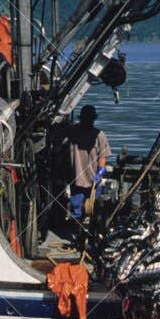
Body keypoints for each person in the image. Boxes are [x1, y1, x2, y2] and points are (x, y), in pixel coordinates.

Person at [66, 105, 111, 248]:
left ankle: (93, 239)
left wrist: (100, 171)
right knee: (76, 209)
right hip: (76, 179)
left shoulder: (100, 135)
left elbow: (103, 157)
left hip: (93, 182)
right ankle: (78, 237)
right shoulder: (72, 132)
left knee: (94, 212)